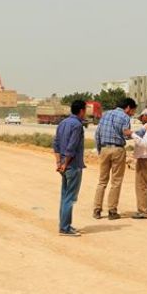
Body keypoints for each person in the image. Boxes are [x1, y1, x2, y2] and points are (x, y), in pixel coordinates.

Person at [92, 97, 137, 220]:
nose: (132, 113)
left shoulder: (105, 114)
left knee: (102, 181)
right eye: (132, 111)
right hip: (118, 150)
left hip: (104, 149)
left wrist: (100, 150)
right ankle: (112, 211)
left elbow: (97, 134)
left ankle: (97, 210)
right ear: (127, 107)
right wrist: (136, 135)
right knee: (116, 182)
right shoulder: (124, 117)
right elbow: (125, 134)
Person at [53, 99, 87, 237]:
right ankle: (65, 228)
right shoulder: (77, 125)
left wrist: (59, 163)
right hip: (72, 166)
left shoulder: (63, 123)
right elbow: (71, 148)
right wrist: (65, 164)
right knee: (70, 197)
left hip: (63, 165)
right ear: (81, 111)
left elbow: (55, 143)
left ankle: (64, 225)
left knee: (64, 196)